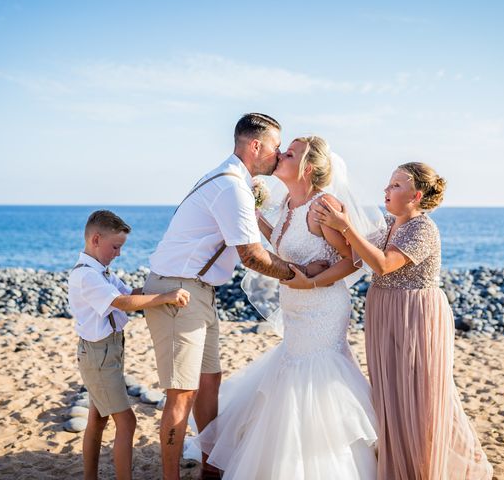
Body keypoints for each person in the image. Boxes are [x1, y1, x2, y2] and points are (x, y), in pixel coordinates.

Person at [143, 114, 327, 480]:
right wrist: (301, 276)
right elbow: (251, 256)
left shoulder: (231, 180)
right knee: (182, 393)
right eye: (277, 147)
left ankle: (212, 465)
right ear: (256, 146)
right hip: (177, 291)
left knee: (211, 380)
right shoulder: (231, 187)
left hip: (198, 289)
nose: (279, 154)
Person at [196, 136, 382, 479]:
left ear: (307, 168)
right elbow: (280, 239)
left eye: (290, 153)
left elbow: (353, 261)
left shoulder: (323, 206)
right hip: (295, 306)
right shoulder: (288, 206)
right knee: (288, 373)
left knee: (311, 378)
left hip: (322, 308)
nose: (280, 154)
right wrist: (254, 216)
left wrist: (311, 281)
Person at [313, 163, 494, 479]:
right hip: (384, 309)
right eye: (389, 183)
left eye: (395, 185)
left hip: (415, 313)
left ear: (416, 195)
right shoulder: (385, 225)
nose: (386, 190)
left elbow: (383, 264)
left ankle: (421, 468)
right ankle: (397, 462)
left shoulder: (423, 229)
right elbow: (357, 254)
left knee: (419, 393)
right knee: (388, 390)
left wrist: (346, 227)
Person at [68, 210, 190, 480]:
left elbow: (130, 294)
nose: (119, 254)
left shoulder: (101, 272)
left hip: (107, 352)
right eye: (116, 247)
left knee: (97, 419)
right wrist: (165, 297)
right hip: (98, 356)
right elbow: (121, 303)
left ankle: (90, 477)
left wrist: (163, 287)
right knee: (127, 421)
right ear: (96, 240)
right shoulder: (87, 276)